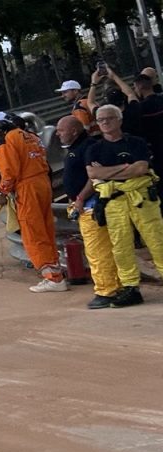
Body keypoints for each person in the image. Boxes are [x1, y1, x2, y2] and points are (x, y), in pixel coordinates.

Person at [85, 104, 163, 307]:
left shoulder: (136, 142)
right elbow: (93, 174)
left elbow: (141, 168)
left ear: (119, 120)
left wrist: (108, 172)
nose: (105, 122)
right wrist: (125, 167)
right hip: (114, 202)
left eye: (109, 118)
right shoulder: (94, 148)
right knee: (120, 247)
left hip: (141, 199)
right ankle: (130, 288)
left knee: (157, 240)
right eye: (100, 120)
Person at [0, 111, 66, 292]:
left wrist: (2, 193)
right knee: (45, 230)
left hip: (27, 188)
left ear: (3, 125)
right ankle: (56, 271)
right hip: (43, 184)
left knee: (33, 233)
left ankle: (53, 278)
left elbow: (9, 172)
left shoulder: (7, 141)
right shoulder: (31, 136)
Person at [56, 115, 121, 308]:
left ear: (74, 131)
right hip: (85, 206)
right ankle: (115, 286)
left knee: (97, 251)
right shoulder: (77, 147)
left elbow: (94, 177)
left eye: (61, 130)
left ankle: (107, 291)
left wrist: (80, 198)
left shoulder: (88, 147)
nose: (57, 134)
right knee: (101, 250)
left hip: (91, 206)